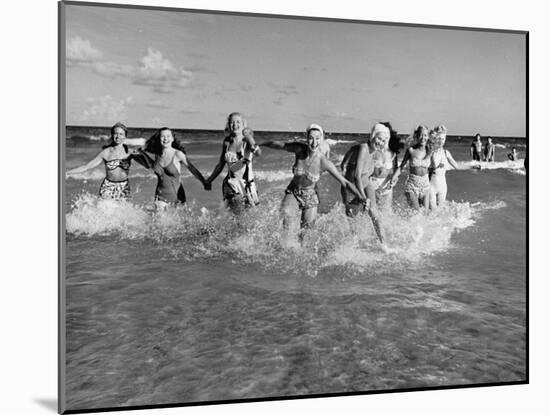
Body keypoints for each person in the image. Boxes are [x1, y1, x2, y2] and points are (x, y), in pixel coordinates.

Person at [263, 123, 364, 230]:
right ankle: (286, 245)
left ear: (321, 140)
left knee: (305, 234)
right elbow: (279, 145)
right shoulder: (299, 149)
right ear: (306, 138)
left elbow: (345, 182)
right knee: (286, 214)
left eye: (317, 138)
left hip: (310, 196)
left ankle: (300, 246)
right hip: (294, 191)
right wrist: (260, 144)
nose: (314, 142)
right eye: (311, 138)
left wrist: (361, 197)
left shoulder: (324, 162)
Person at [66, 122, 147, 200]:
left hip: (124, 186)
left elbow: (148, 165)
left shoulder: (130, 152)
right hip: (108, 186)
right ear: (112, 135)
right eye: (116, 133)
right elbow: (87, 166)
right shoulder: (106, 153)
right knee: (105, 210)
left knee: (120, 212)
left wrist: (142, 153)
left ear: (125, 136)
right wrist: (67, 173)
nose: (118, 136)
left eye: (121, 134)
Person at [205, 112, 261, 213]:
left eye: (238, 122)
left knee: (250, 216)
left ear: (243, 124)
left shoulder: (247, 140)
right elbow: (221, 164)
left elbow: (258, 153)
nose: (235, 125)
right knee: (236, 213)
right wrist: (209, 180)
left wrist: (253, 145)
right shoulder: (227, 142)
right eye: (232, 122)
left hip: (247, 184)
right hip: (231, 184)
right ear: (229, 125)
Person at [139, 127, 207, 210]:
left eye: (168, 136)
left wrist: (204, 182)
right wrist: (141, 153)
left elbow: (192, 169)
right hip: (160, 196)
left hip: (177, 197)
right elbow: (151, 165)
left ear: (172, 139)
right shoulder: (157, 154)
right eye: (162, 136)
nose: (165, 139)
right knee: (159, 222)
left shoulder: (178, 154)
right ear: (159, 139)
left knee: (177, 222)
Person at [391, 125, 432, 210]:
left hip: (426, 186)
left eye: (425, 135)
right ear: (416, 136)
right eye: (420, 135)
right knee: (416, 214)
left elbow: (434, 166)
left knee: (426, 215)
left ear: (428, 137)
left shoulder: (430, 150)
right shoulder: (411, 150)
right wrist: (393, 177)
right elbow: (401, 166)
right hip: (412, 186)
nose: (423, 138)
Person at [429, 125, 458, 208]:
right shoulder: (430, 151)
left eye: (443, 139)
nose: (441, 141)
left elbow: (457, 166)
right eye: (439, 138)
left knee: (440, 210)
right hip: (432, 185)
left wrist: (471, 166)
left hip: (443, 185)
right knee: (433, 210)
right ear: (435, 138)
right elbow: (430, 166)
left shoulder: (446, 153)